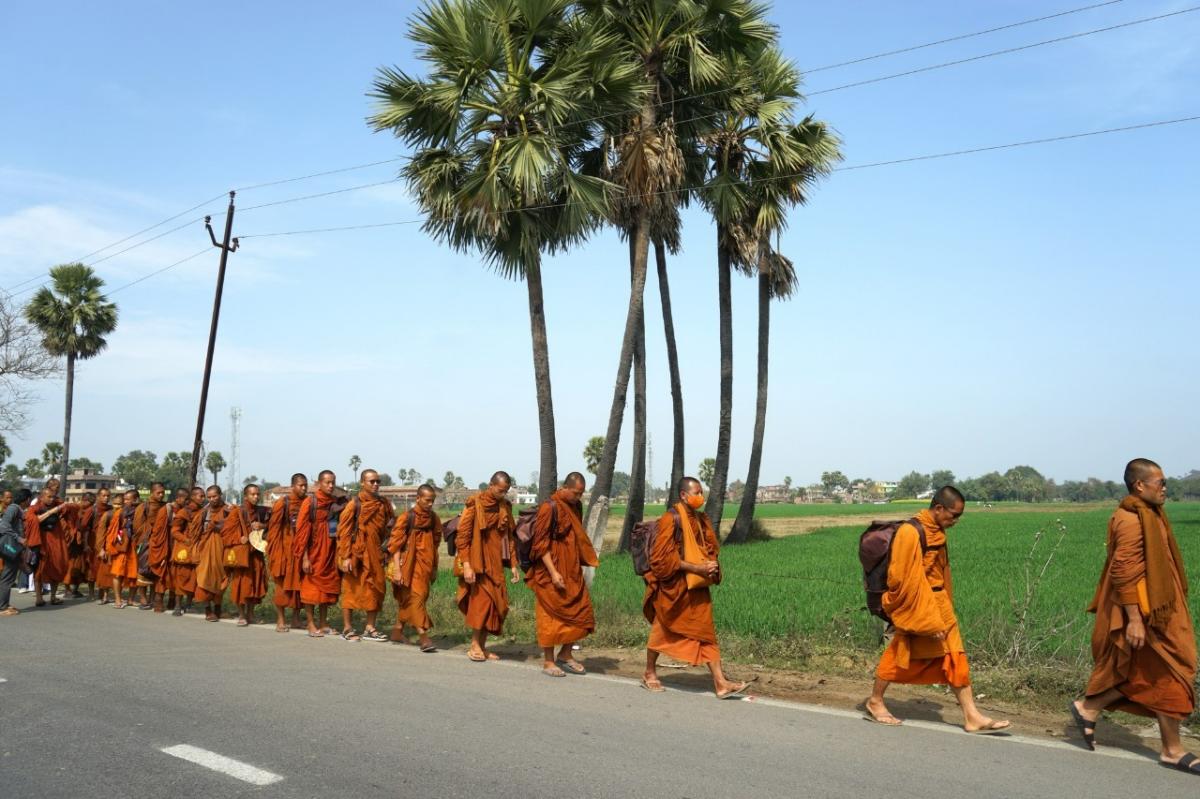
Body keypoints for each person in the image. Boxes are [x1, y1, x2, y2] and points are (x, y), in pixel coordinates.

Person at [1070, 459, 1198, 775]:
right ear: (1140, 485)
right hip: (1144, 614)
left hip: (1162, 610)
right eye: (1160, 482)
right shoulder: (1130, 519)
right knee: (1173, 673)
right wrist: (1135, 620)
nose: (1165, 488)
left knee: (1146, 674)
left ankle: (1089, 707)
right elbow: (1123, 571)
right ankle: (1172, 749)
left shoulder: (1152, 514)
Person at [864, 486, 1009, 732]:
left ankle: (971, 715)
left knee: (955, 656)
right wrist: (927, 621)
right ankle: (875, 701)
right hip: (918, 606)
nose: (956, 521)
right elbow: (903, 581)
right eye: (953, 515)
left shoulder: (938, 532)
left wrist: (945, 608)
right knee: (900, 653)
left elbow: (942, 572)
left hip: (939, 604)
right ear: (939, 508)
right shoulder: (911, 532)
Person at [641, 476, 747, 699]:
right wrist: (695, 568)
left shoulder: (700, 519)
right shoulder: (671, 519)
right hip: (674, 587)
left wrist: (711, 564)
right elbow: (661, 559)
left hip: (697, 587)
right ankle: (649, 672)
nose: (700, 497)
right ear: (683, 495)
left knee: (706, 633)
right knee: (663, 628)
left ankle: (720, 683)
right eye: (696, 493)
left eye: (701, 493)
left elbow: (709, 547)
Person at [527, 472, 597, 677]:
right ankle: (548, 662)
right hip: (550, 570)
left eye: (581, 494)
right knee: (549, 616)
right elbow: (541, 545)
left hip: (572, 568)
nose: (579, 497)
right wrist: (553, 572)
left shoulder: (575, 506)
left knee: (582, 613)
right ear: (564, 488)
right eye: (576, 493)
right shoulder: (550, 507)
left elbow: (575, 535)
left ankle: (566, 655)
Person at [455, 471, 520, 662]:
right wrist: (467, 565)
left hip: (496, 564)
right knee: (482, 605)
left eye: (506, 491)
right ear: (491, 485)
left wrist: (514, 565)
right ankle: (474, 645)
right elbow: (463, 537)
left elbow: (509, 537)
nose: (503, 494)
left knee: (498, 606)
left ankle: (482, 647)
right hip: (478, 564)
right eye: (501, 490)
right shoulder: (475, 504)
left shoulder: (504, 507)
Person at [336, 469, 394, 642]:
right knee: (350, 590)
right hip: (356, 554)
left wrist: (387, 550)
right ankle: (347, 627)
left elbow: (390, 526)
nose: (376, 484)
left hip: (376, 553)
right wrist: (345, 556)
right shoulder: (355, 504)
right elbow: (344, 531)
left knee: (374, 589)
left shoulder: (384, 503)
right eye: (371, 481)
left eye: (378, 481)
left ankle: (370, 627)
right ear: (362, 483)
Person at [388, 483, 442, 651]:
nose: (430, 504)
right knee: (416, 599)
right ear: (418, 498)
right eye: (427, 500)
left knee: (411, 600)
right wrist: (397, 569)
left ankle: (397, 631)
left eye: (432, 500)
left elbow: (435, 543)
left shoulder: (434, 519)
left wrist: (433, 568)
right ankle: (424, 638)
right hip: (407, 566)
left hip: (425, 566)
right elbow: (395, 545)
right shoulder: (406, 517)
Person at [294, 470, 342, 638]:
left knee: (326, 591)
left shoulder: (335, 503)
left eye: (333, 482)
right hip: (313, 553)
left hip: (329, 552)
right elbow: (301, 532)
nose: (330, 486)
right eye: (327, 482)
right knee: (310, 590)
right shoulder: (310, 502)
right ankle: (310, 623)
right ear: (319, 483)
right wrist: (305, 558)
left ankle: (323, 623)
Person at [267, 473, 307, 632]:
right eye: (300, 485)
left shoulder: (306, 503)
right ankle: (280, 620)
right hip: (284, 550)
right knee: (282, 586)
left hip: (300, 551)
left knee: (299, 587)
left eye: (305, 485)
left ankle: (296, 619)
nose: (303, 488)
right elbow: (274, 529)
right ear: (293, 486)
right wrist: (275, 553)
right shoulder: (282, 503)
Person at [227, 484, 268, 626]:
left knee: (255, 583)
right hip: (242, 554)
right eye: (252, 494)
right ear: (246, 496)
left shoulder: (261, 511)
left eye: (257, 494)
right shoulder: (237, 512)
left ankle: (251, 614)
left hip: (255, 553)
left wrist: (262, 526)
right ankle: (242, 615)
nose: (256, 497)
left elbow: (270, 525)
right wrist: (239, 539)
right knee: (241, 584)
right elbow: (225, 533)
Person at [192, 485, 235, 622]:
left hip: (223, 549)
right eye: (209, 497)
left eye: (214, 496)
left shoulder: (229, 510)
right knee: (204, 580)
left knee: (221, 580)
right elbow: (195, 532)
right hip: (206, 551)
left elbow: (234, 527)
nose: (212, 499)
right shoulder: (204, 512)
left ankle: (218, 610)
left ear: (220, 494)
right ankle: (208, 611)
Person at [25, 486, 70, 607]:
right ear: (41, 496)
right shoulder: (35, 508)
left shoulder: (57, 505)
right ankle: (39, 598)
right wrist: (51, 511)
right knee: (39, 570)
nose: (51, 499)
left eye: (53, 496)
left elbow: (69, 508)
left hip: (56, 541)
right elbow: (32, 520)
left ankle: (53, 597)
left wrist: (61, 506)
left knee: (57, 567)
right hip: (41, 542)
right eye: (48, 496)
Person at [169, 487, 205, 616]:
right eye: (200, 496)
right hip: (184, 548)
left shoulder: (203, 512)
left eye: (203, 496)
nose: (203, 498)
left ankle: (188, 604)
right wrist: (186, 540)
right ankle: (178, 606)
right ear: (193, 497)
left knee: (193, 579)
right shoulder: (184, 512)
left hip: (196, 548)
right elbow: (174, 531)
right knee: (181, 578)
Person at [103, 489, 142, 609]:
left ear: (135, 500)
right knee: (117, 573)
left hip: (134, 546)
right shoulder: (119, 513)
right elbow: (112, 531)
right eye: (124, 499)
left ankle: (130, 599)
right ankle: (117, 599)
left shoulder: (139, 512)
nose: (124, 502)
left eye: (127, 499)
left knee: (133, 573)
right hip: (121, 546)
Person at [148, 487, 184, 612]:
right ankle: (158, 601)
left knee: (177, 575)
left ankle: (173, 601)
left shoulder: (184, 510)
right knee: (162, 575)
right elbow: (157, 532)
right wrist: (161, 551)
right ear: (178, 498)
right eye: (184, 499)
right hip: (165, 546)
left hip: (178, 546)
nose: (186, 501)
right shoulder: (166, 510)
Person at [132, 483, 167, 610]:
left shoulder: (165, 507)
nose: (161, 495)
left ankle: (153, 598)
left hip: (160, 543)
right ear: (152, 493)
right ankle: (143, 598)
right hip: (145, 543)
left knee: (156, 571)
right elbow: (137, 526)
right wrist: (146, 538)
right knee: (143, 571)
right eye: (158, 493)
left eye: (163, 492)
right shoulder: (143, 506)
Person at [0, 489, 34, 616]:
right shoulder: (13, 508)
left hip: (14, 548)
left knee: (9, 576)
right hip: (9, 547)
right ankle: (2, 608)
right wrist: (19, 538)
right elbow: (3, 526)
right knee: (7, 578)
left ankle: (4, 603)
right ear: (27, 499)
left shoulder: (18, 510)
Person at [89, 488, 116, 604]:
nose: (106, 498)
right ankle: (91, 593)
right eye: (104, 496)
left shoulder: (111, 510)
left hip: (107, 544)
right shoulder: (93, 510)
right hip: (94, 542)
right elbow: (85, 527)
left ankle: (104, 595)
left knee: (105, 570)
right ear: (98, 496)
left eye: (108, 496)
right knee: (92, 570)